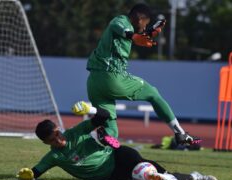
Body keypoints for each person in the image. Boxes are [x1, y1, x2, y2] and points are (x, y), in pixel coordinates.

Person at [17, 102, 217, 180]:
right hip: (110, 174)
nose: (58, 140)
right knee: (147, 179)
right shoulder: (54, 157)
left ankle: (189, 177)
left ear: (58, 129)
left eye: (57, 134)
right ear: (45, 143)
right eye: (51, 140)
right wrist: (28, 175)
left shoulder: (75, 132)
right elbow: (36, 172)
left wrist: (90, 108)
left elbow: (103, 115)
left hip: (117, 154)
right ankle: (191, 177)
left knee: (146, 169)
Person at [85, 3, 201, 145]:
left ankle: (84, 142)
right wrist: (134, 35)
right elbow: (122, 29)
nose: (145, 28)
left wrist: (151, 31)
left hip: (94, 83)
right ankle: (180, 132)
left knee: (112, 132)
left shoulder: (128, 30)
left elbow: (136, 35)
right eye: (146, 24)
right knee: (153, 93)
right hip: (112, 78)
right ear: (140, 20)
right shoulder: (121, 20)